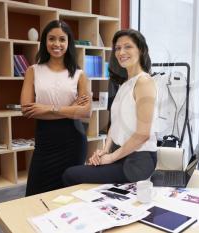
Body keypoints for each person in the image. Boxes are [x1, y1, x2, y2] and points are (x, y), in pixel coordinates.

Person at [62, 29, 157, 185]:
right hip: (121, 154)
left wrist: (111, 158)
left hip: (139, 161)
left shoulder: (144, 82)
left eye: (128, 47)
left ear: (140, 50)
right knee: (77, 173)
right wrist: (105, 150)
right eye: (118, 48)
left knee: (71, 175)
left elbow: (143, 134)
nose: (121, 52)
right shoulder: (125, 83)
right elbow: (115, 124)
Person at [21, 20, 91, 196]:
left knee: (69, 194)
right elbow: (27, 109)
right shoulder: (33, 70)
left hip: (73, 141)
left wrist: (46, 109)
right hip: (45, 141)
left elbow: (85, 112)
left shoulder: (79, 74)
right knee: (34, 195)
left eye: (62, 39)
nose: (57, 44)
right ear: (45, 41)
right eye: (52, 39)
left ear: (68, 43)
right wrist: (70, 109)